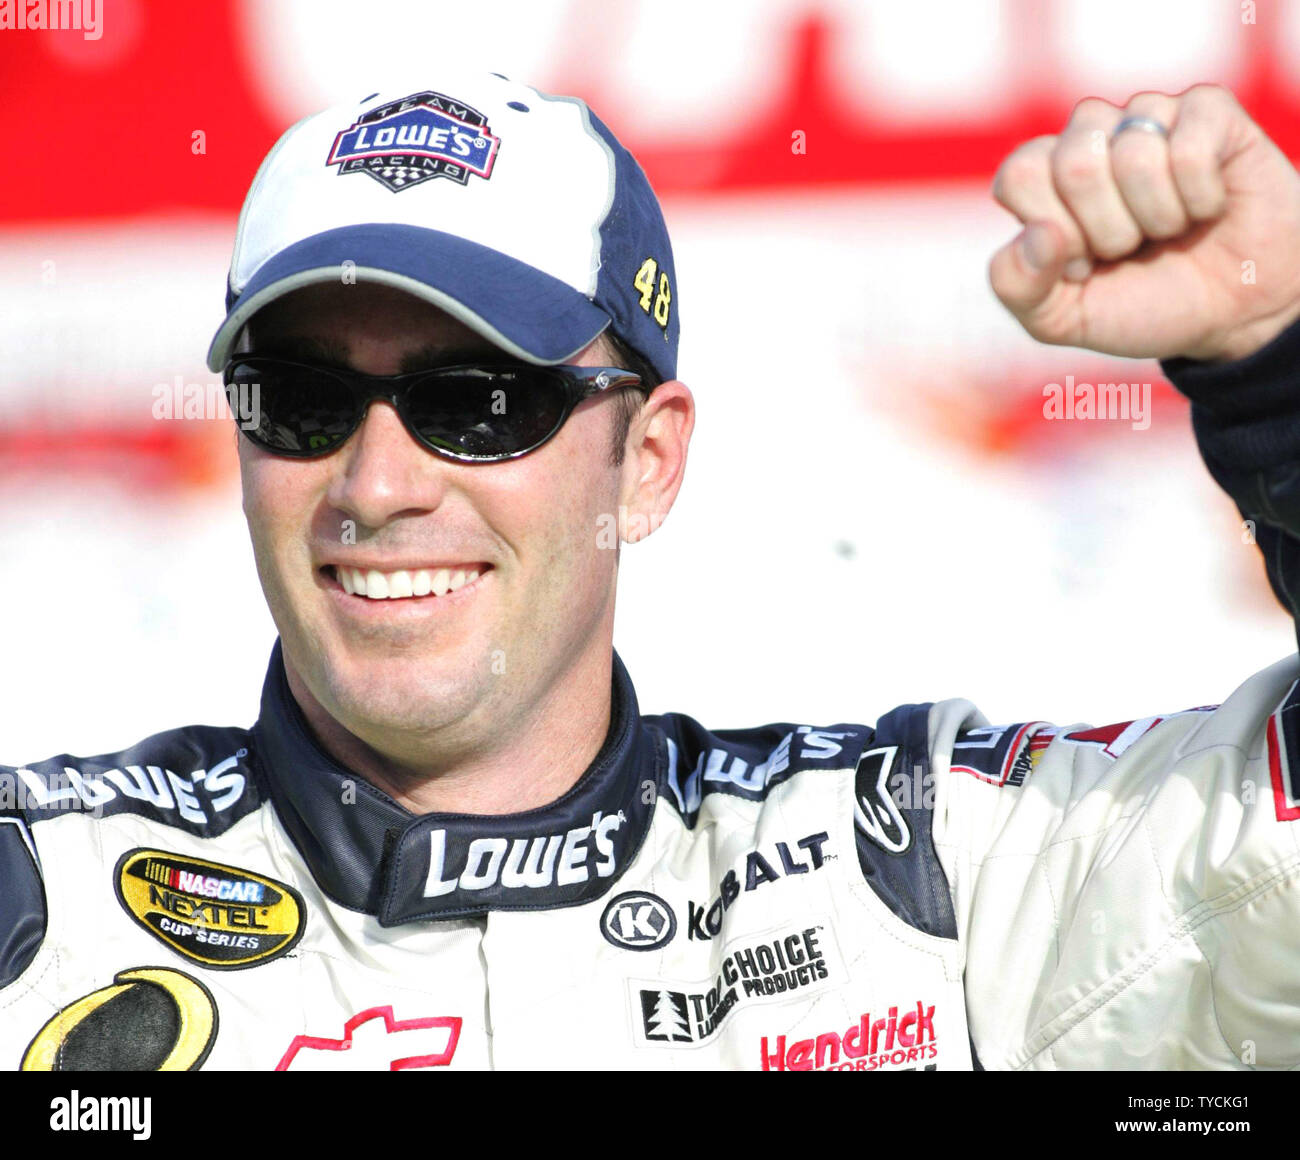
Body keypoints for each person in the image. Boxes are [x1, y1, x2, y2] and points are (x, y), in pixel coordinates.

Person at [3, 73, 1300, 1072]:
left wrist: (1276, 371)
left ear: (650, 461)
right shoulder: (42, 905)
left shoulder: (912, 886)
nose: (377, 484)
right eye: (301, 399)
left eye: (481, 400)